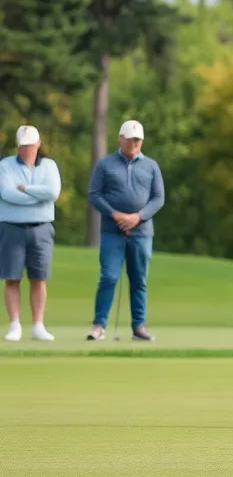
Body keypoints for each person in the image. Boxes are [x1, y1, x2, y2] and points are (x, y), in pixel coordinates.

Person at [87, 120, 164, 342]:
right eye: (130, 140)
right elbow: (94, 195)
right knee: (109, 277)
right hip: (112, 231)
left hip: (141, 232)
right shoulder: (105, 164)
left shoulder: (151, 166)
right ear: (120, 139)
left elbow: (158, 198)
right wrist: (115, 214)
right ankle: (99, 325)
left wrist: (137, 217)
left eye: (137, 140)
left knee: (139, 279)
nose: (134, 144)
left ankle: (139, 326)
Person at [0, 126, 62, 341]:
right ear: (18, 146)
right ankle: (15, 325)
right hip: (12, 227)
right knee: (12, 278)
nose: (28, 149)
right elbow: (7, 194)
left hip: (41, 228)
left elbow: (53, 192)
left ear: (38, 144)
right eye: (23, 146)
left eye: (31, 145)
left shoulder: (49, 165)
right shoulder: (5, 166)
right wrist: (39, 194)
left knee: (39, 278)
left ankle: (38, 325)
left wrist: (26, 188)